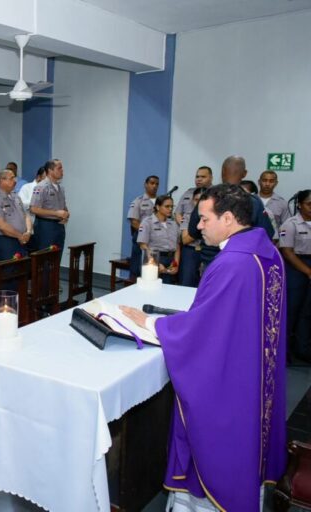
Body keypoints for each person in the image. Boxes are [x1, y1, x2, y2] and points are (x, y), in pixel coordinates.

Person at [120, 184, 286, 512]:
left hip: (229, 386)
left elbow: (201, 333)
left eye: (204, 218)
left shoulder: (232, 263)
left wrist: (151, 323)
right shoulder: (267, 253)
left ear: (227, 218)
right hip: (253, 373)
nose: (197, 225)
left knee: (216, 447)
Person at [187, 156, 275, 272]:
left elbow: (193, 230)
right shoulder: (252, 201)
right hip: (242, 264)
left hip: (211, 261)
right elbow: (266, 234)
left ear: (222, 171)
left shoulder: (207, 197)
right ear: (244, 174)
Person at [279, 189, 311, 363]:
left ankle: (303, 349)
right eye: (309, 204)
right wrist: (308, 272)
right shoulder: (290, 224)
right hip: (296, 268)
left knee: (307, 312)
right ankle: (284, 352)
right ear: (300, 204)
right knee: (291, 310)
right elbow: (287, 252)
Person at [0, 169, 31, 261]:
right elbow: (2, 225)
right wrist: (20, 236)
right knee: (9, 271)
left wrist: (28, 232)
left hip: (23, 240)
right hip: (6, 242)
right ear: (2, 181)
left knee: (23, 270)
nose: (15, 181)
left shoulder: (16, 196)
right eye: (11, 178)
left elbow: (26, 216)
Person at [136, 195, 180, 284]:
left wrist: (176, 264)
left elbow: (177, 245)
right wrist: (155, 263)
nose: (170, 209)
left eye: (172, 206)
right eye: (167, 206)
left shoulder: (173, 224)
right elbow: (143, 245)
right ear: (158, 207)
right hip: (154, 259)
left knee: (168, 290)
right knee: (152, 289)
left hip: (171, 261)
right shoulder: (147, 222)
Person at [30, 159, 68, 256]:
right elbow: (34, 208)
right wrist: (56, 213)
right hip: (45, 227)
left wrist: (66, 214)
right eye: (59, 168)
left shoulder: (60, 188)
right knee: (46, 258)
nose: (62, 171)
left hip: (59, 226)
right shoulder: (41, 187)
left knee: (57, 256)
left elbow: (63, 207)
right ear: (50, 171)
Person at [126, 175, 159, 277]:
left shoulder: (161, 202)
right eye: (152, 183)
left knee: (153, 267)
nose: (154, 186)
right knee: (137, 267)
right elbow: (134, 222)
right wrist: (147, 232)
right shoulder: (138, 201)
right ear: (145, 184)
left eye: (157, 184)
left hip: (157, 238)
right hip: (141, 237)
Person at [178, 187, 207, 287]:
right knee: (187, 283)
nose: (198, 203)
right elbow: (185, 239)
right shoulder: (187, 216)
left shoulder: (213, 217)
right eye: (196, 200)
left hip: (207, 251)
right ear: (192, 200)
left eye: (201, 200)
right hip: (190, 252)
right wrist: (200, 231)